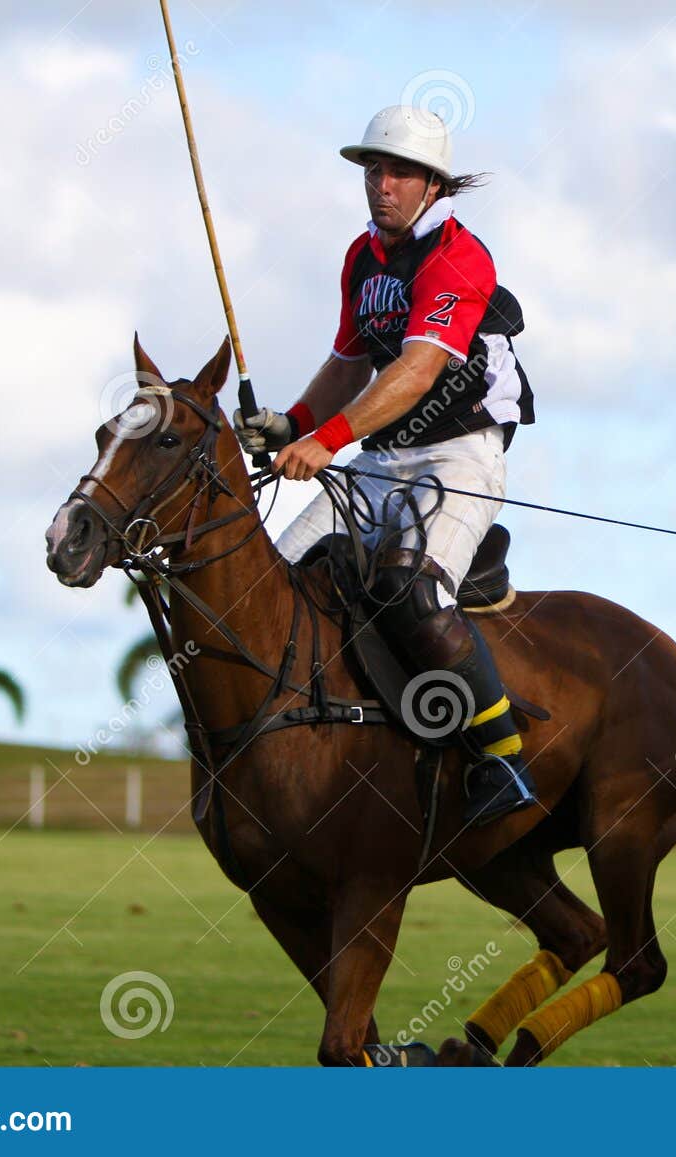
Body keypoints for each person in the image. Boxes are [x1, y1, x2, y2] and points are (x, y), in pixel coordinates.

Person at [234, 105, 537, 826]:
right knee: (280, 577)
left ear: (433, 184)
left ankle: (504, 757)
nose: (381, 184)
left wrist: (327, 439)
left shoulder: (459, 256)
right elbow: (349, 362)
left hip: (461, 453)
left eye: (398, 171)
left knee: (412, 588)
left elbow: (417, 371)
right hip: (384, 456)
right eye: (373, 169)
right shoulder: (360, 257)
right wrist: (291, 423)